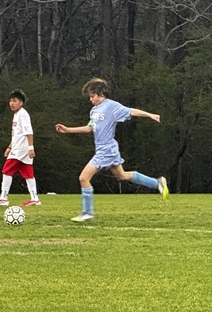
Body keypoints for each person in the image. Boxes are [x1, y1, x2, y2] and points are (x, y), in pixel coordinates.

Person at [55, 77, 167, 222]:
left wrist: (149, 114)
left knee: (83, 178)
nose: (90, 99)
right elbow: (90, 128)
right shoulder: (94, 111)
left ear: (100, 93)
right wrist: (68, 130)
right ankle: (157, 183)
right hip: (105, 150)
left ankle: (87, 212)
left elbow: (131, 111)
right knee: (122, 176)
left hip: (106, 150)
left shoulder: (112, 106)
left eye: (92, 96)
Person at [0, 89, 40, 207]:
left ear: (21, 102)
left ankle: (3, 197)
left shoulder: (23, 114)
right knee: (28, 173)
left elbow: (29, 132)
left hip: (21, 149)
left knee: (7, 170)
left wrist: (31, 147)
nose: (11, 103)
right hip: (18, 148)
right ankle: (35, 198)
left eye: (15, 101)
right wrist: (9, 147)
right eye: (10, 101)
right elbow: (17, 134)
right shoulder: (17, 115)